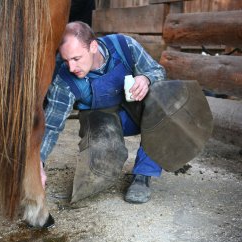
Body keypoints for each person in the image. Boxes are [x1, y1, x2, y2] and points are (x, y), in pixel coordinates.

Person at [40, 21, 166, 204]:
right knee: (102, 159)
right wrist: (38, 162)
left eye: (76, 58)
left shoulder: (124, 45)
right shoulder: (64, 79)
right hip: (99, 118)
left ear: (93, 46)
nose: (71, 68)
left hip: (132, 111)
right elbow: (51, 124)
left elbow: (157, 71)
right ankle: (104, 152)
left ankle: (143, 175)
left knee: (167, 101)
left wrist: (146, 78)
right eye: (66, 60)